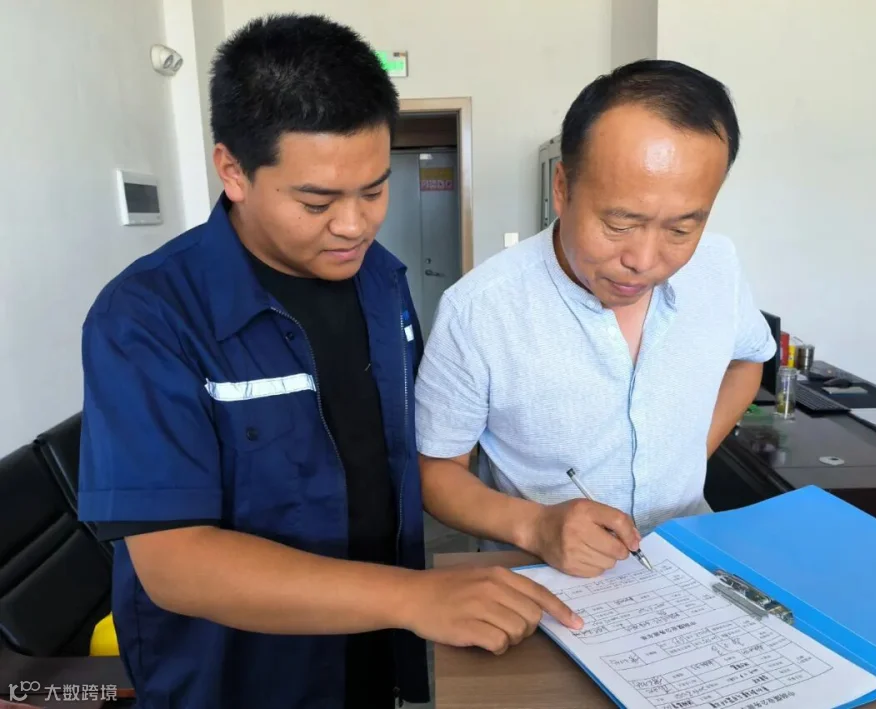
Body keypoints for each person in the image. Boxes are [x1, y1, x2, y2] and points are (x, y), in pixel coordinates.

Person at [77, 14, 579, 709]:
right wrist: (414, 596)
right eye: (317, 201)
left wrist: (530, 523)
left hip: (371, 649)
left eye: (374, 190)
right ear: (233, 171)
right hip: (241, 679)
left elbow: (400, 460)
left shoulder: (381, 280)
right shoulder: (149, 316)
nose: (354, 224)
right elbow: (175, 563)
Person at [416, 60, 776, 578]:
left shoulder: (718, 267)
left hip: (686, 560)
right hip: (545, 575)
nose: (644, 260)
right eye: (619, 224)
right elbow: (437, 471)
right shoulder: (479, 310)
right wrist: (535, 526)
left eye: (680, 230)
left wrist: (688, 455)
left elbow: (748, 361)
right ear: (562, 187)